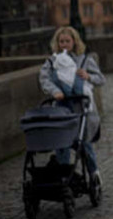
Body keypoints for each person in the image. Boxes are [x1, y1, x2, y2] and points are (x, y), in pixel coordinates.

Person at [38, 26, 105, 181]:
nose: (64, 44)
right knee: (62, 143)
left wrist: (88, 76)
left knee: (85, 144)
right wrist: (55, 91)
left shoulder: (85, 59)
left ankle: (94, 172)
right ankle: (64, 175)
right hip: (62, 107)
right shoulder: (52, 60)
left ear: (74, 42)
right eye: (61, 41)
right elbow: (44, 79)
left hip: (82, 108)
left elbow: (101, 79)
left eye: (67, 41)